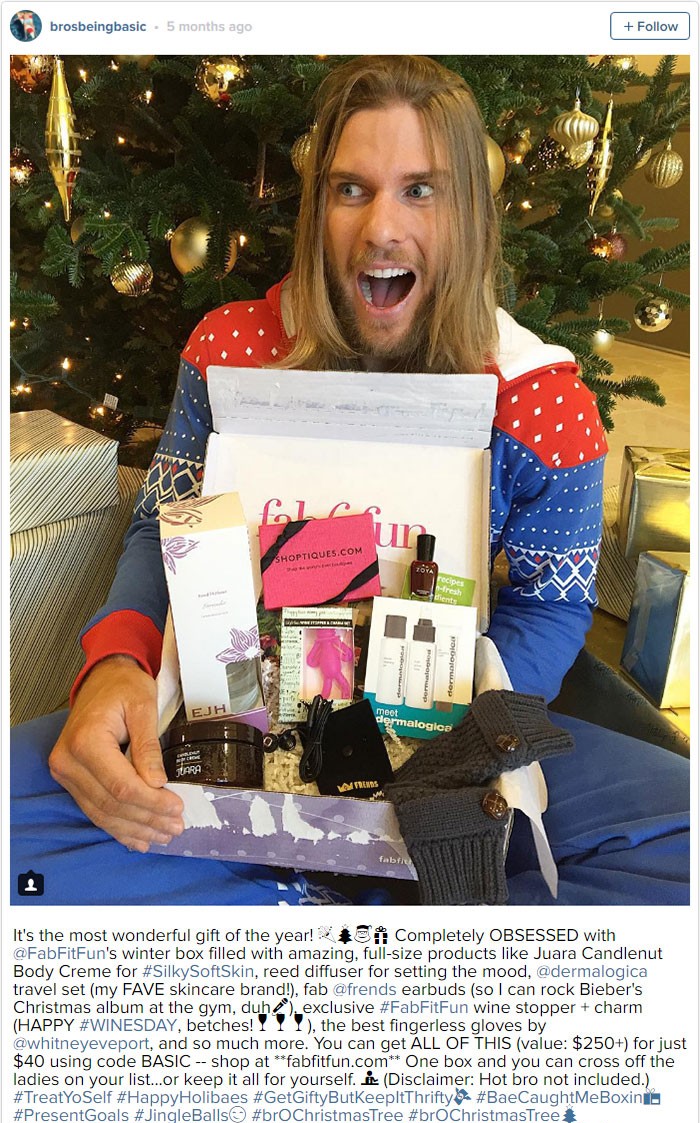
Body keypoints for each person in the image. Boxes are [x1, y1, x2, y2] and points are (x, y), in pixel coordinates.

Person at [12, 56, 689, 906]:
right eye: (350, 190)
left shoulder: (543, 403)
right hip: (232, 713)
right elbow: (164, 526)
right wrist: (117, 658)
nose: (381, 228)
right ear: (316, 210)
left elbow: (550, 608)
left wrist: (464, 741)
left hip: (444, 727)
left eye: (422, 190)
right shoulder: (229, 351)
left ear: (471, 216)